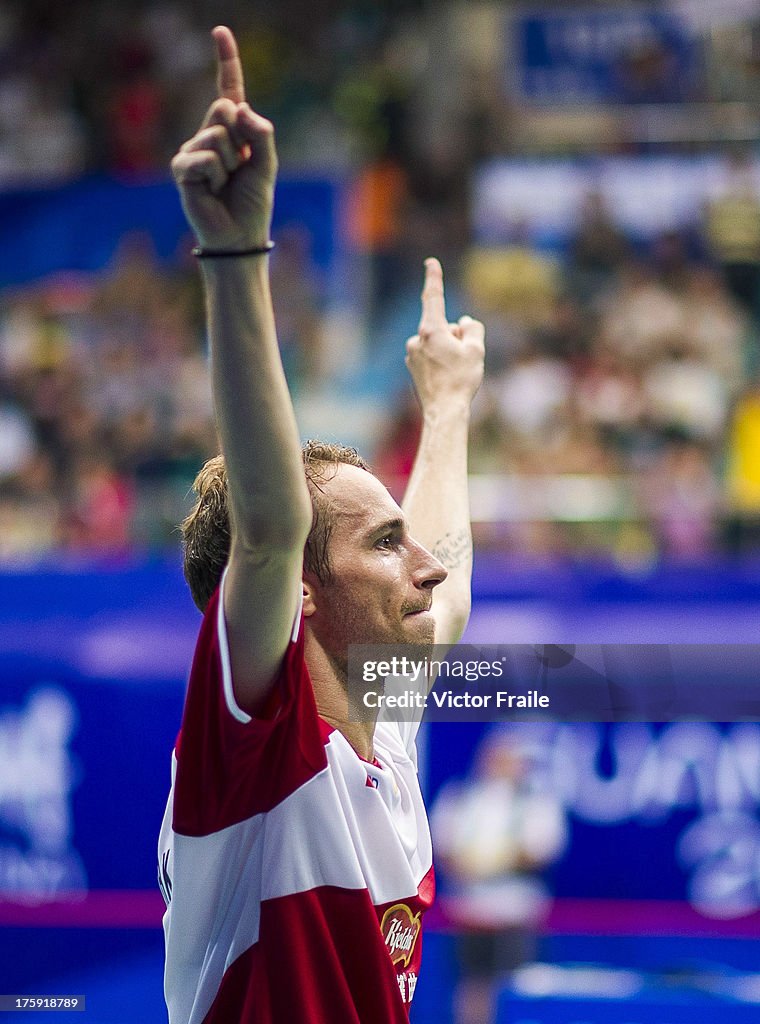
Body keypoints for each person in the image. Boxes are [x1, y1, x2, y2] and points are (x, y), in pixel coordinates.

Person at [158, 25, 485, 1024]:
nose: (419, 565)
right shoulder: (253, 746)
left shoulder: (383, 722)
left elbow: (450, 593)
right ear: (300, 594)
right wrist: (233, 248)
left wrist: (448, 407)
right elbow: (266, 529)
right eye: (381, 545)